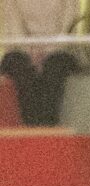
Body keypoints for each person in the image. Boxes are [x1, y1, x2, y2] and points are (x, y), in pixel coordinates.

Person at [0, 0, 84, 128]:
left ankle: (47, 126)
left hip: (59, 50)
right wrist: (30, 52)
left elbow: (67, 26)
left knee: (55, 66)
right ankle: (32, 128)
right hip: (23, 50)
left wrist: (49, 50)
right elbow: (14, 26)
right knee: (19, 65)